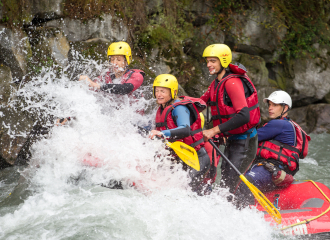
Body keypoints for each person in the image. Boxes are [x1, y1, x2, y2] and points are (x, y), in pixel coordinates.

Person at [200, 44, 261, 204]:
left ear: (223, 61)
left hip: (245, 142)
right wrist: (177, 103)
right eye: (207, 61)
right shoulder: (216, 84)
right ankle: (240, 207)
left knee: (229, 184)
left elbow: (244, 115)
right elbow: (200, 103)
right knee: (226, 181)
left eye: (213, 61)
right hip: (232, 140)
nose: (209, 65)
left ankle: (241, 213)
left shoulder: (232, 83)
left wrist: (214, 130)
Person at [148, 74, 211, 194]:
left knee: (182, 193)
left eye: (163, 91)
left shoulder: (179, 108)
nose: (158, 94)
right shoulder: (161, 108)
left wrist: (162, 133)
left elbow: (185, 130)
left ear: (173, 92)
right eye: (157, 91)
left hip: (197, 159)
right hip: (179, 159)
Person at [245, 90, 311, 193]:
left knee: (245, 183)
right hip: (280, 172)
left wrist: (223, 135)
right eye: (270, 105)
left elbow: (249, 137)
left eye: (275, 105)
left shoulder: (279, 125)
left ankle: (243, 208)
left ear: (285, 108)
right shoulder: (288, 124)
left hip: (270, 170)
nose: (270, 108)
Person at [79, 41, 144, 97]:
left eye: (118, 60)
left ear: (127, 60)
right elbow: (93, 88)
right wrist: (85, 83)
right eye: (112, 59)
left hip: (131, 111)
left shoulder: (136, 76)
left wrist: (98, 86)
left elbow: (125, 89)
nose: (114, 63)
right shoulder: (106, 76)